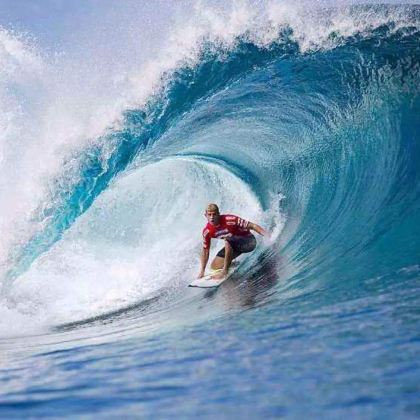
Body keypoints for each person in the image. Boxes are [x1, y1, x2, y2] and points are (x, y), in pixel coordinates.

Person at [198, 203, 269, 280]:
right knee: (214, 267)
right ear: (205, 215)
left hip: (248, 242)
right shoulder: (207, 231)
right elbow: (205, 251)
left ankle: (225, 271)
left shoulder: (230, 220)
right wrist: (202, 271)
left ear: (218, 214)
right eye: (209, 215)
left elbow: (253, 226)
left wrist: (268, 237)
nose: (212, 218)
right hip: (234, 247)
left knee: (228, 239)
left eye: (214, 214)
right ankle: (231, 264)